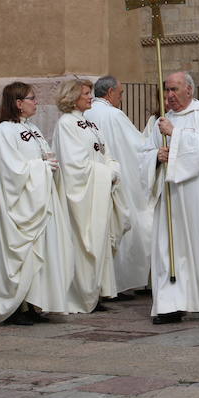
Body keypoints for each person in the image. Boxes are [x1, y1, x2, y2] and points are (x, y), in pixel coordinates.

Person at [141, 72, 199, 324]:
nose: (169, 95)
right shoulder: (162, 120)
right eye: (167, 90)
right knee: (170, 249)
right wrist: (156, 157)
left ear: (189, 90)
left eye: (175, 90)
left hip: (198, 194)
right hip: (171, 197)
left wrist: (175, 134)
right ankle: (171, 303)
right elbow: (144, 152)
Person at [0, 83, 73, 326]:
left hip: (39, 203)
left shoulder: (32, 129)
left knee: (40, 254)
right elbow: (11, 173)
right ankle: (15, 306)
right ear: (18, 103)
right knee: (24, 255)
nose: (36, 102)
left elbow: (41, 158)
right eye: (31, 98)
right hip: (21, 208)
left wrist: (48, 165)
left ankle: (33, 301)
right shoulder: (5, 132)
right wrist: (42, 168)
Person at [53, 78, 129, 313]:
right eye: (86, 93)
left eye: (90, 93)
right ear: (72, 96)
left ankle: (96, 292)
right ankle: (80, 294)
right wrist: (107, 173)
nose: (90, 97)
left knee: (101, 242)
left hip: (98, 191)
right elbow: (74, 165)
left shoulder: (89, 124)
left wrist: (113, 169)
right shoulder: (66, 124)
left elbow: (105, 153)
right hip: (82, 196)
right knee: (82, 242)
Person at [85, 76, 151, 296]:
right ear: (110, 92)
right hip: (116, 179)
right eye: (121, 94)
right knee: (125, 224)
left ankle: (101, 283)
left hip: (93, 182)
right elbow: (138, 147)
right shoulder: (114, 115)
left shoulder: (86, 114)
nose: (122, 98)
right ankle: (120, 282)